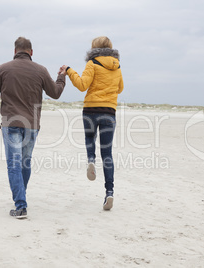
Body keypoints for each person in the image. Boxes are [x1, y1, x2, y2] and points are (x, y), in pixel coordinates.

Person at [0, 37, 66, 219]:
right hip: (32, 124)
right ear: (31, 52)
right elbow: (55, 93)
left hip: (11, 123)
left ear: (15, 51)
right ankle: (21, 197)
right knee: (24, 162)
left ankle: (20, 204)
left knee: (14, 164)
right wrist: (61, 77)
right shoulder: (41, 70)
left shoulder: (3, 69)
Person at [60, 36, 124, 210]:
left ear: (94, 48)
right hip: (109, 112)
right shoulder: (116, 66)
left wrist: (69, 70)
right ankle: (109, 192)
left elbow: (82, 85)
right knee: (107, 153)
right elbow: (120, 88)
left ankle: (90, 160)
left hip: (91, 110)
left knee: (89, 138)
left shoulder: (92, 63)